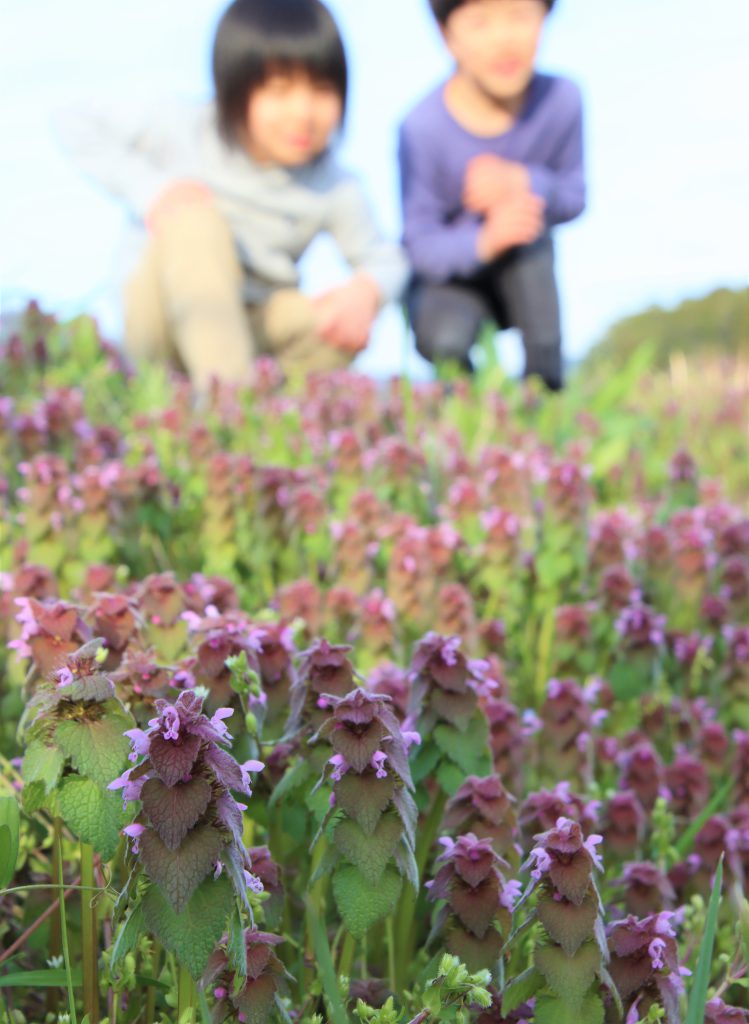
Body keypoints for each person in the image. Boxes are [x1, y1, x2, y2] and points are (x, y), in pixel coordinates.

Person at [56, 0, 408, 390]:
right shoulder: (182, 126)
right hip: (161, 319)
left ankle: (270, 411)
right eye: (279, 91)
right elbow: (74, 120)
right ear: (233, 87)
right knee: (194, 219)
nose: (302, 112)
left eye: (321, 90)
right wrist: (152, 191)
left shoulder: (334, 183)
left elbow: (386, 259)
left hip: (254, 322)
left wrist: (366, 291)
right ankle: (230, 411)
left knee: (336, 320)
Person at [399, 0, 586, 390]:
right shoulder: (421, 128)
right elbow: (420, 244)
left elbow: (574, 195)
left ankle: (546, 396)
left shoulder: (562, 100)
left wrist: (526, 182)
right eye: (480, 21)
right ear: (446, 34)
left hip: (525, 271)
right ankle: (463, 415)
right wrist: (485, 240)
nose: (503, 39)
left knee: (527, 229)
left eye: (519, 15)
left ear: (545, 17)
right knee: (445, 336)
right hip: (450, 283)